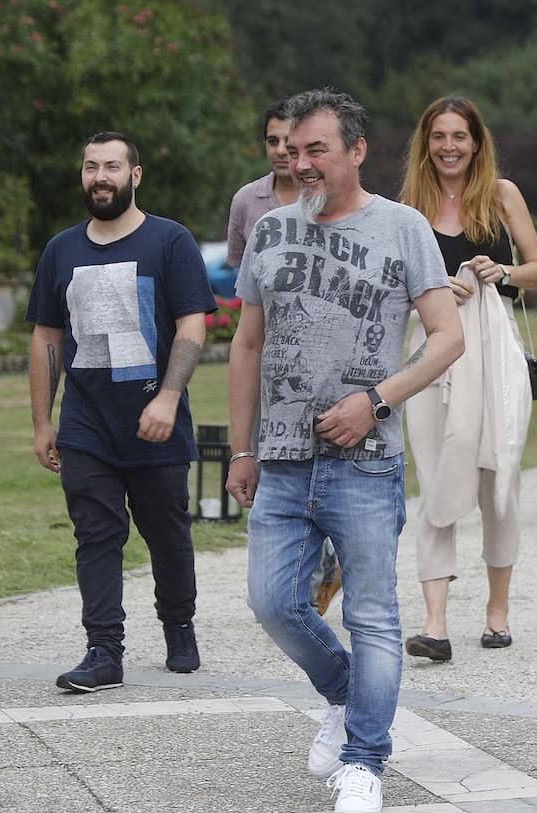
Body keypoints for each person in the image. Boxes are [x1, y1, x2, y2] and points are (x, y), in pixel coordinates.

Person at [226, 88, 463, 813]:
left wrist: (377, 402)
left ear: (356, 151)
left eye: (316, 150)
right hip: (283, 458)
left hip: (366, 458)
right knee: (271, 601)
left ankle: (365, 761)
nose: (301, 164)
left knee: (373, 613)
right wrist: (241, 448)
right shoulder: (268, 233)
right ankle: (346, 692)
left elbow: (447, 338)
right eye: (292, 152)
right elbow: (247, 343)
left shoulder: (403, 228)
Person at [27, 131, 216, 692]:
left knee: (167, 533)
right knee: (96, 534)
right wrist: (42, 421)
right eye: (90, 167)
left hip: (154, 419)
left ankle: (178, 624)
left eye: (112, 166)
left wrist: (168, 396)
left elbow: (193, 324)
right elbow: (46, 339)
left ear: (135, 176)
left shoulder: (170, 241)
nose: (100, 177)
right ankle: (103, 651)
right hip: (87, 421)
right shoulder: (61, 249)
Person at [397, 96, 537, 663]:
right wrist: (436, 290)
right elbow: (393, 289)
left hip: (493, 350)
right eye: (439, 136)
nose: (449, 147)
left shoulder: (503, 194)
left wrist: (501, 270)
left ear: (476, 142)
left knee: (497, 468)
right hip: (431, 352)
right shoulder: (409, 206)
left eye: (459, 136)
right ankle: (435, 624)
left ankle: (497, 611)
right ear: (426, 143)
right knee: (436, 471)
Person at [226, 99, 340, 614]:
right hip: (270, 359)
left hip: (329, 360)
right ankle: (290, 590)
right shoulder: (250, 204)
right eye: (274, 143)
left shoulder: (337, 199)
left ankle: (328, 563)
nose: (283, 153)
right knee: (275, 469)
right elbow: (244, 290)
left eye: (291, 144)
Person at [225, 99, 300, 267]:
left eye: (288, 142)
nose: (280, 150)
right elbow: (238, 270)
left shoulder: (323, 198)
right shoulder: (244, 199)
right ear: (264, 144)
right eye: (273, 141)